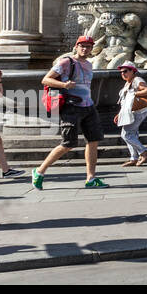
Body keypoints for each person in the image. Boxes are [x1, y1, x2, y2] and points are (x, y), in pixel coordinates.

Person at [33, 37, 108, 190]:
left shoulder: (88, 64)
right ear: (76, 46)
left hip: (89, 106)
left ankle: (91, 178)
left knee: (93, 141)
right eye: (82, 46)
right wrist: (63, 84)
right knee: (68, 143)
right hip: (71, 106)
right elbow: (45, 80)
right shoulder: (66, 62)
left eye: (88, 46)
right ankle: (39, 171)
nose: (85, 49)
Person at [114, 61, 147, 167]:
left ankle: (144, 152)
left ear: (133, 71)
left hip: (138, 112)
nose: (123, 73)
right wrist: (119, 114)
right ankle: (134, 158)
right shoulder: (128, 82)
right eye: (121, 72)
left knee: (126, 134)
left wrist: (134, 93)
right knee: (133, 134)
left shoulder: (137, 80)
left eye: (126, 71)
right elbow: (125, 101)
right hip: (130, 112)